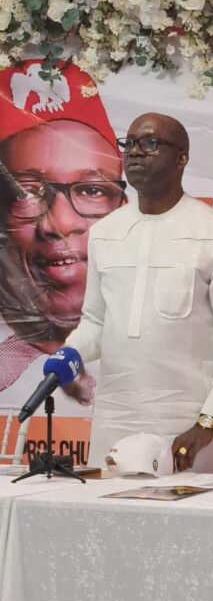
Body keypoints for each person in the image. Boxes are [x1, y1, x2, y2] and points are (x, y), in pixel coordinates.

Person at [66, 112, 213, 472]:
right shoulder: (106, 232)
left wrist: (210, 420)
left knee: (189, 526)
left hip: (186, 420)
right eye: (130, 144)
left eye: (151, 143)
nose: (136, 153)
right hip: (116, 414)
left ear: (182, 158)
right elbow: (96, 321)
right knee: (104, 522)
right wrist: (70, 355)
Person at [0, 61, 125, 408]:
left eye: (90, 190)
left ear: (124, 207)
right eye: (26, 192)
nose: (59, 223)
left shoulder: (144, 356)